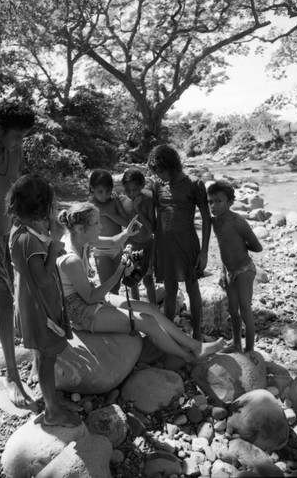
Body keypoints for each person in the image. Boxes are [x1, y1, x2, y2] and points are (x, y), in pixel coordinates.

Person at [56, 202, 224, 363]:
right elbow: (91, 298)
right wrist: (120, 270)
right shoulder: (71, 259)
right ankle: (188, 358)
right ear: (80, 228)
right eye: (96, 223)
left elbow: (114, 241)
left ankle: (196, 347)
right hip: (78, 310)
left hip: (87, 296)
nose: (100, 226)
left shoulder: (80, 237)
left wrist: (127, 233)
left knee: (150, 309)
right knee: (147, 321)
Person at [6, 174, 80, 427]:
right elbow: (42, 277)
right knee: (47, 358)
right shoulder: (28, 241)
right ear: (39, 206)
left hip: (32, 302)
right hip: (40, 308)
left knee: (42, 353)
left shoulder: (20, 227)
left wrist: (51, 226)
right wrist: (54, 247)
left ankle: (50, 399)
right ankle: (52, 413)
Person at [0, 98, 36, 405]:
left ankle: (13, 365)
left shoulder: (14, 151)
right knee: (4, 298)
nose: (20, 143)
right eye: (16, 136)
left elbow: (19, 189)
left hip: (5, 234)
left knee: (12, 297)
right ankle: (12, 376)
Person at [147, 144, 211, 340]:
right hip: (165, 246)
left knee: (192, 288)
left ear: (171, 165)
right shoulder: (159, 186)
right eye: (155, 172)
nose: (158, 175)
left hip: (187, 245)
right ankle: (168, 332)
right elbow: (155, 217)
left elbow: (206, 219)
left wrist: (204, 252)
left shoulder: (194, 184)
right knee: (170, 290)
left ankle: (197, 332)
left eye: (160, 170)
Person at [207, 180, 263, 352]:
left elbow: (257, 247)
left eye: (219, 201)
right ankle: (236, 343)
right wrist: (223, 273)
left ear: (231, 202)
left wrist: (241, 247)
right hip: (229, 271)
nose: (213, 206)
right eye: (210, 202)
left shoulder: (238, 222)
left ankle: (250, 350)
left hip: (245, 269)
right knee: (232, 309)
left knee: (245, 309)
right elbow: (224, 249)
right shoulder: (215, 222)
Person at [89, 169, 128, 294]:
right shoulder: (89, 206)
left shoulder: (114, 202)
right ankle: (110, 310)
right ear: (92, 189)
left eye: (108, 191)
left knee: (116, 285)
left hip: (118, 248)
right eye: (100, 192)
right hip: (101, 251)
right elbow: (85, 232)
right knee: (107, 286)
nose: (104, 195)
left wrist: (109, 214)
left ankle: (115, 311)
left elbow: (126, 222)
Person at [121, 167, 157, 304]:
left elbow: (152, 229)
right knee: (132, 280)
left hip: (146, 245)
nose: (131, 194)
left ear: (142, 186)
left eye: (135, 190)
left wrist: (138, 209)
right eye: (128, 190)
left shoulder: (148, 199)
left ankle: (154, 310)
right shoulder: (123, 200)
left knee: (148, 280)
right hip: (130, 246)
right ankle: (135, 309)